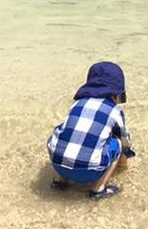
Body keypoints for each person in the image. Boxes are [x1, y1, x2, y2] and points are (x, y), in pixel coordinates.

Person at [47, 62, 132, 199]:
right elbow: (124, 142)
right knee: (117, 142)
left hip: (58, 164)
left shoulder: (77, 104)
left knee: (67, 136)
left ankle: (59, 182)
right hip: (90, 172)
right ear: (116, 94)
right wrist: (123, 164)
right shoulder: (115, 111)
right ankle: (98, 188)